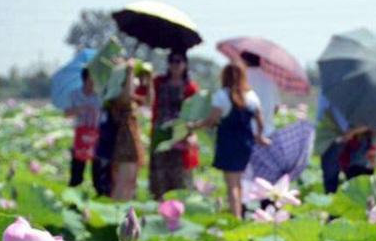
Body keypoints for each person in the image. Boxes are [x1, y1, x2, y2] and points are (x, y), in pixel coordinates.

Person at [188, 63, 270, 218]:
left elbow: (211, 120)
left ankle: (236, 216)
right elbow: (260, 121)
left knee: (231, 184)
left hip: (228, 143)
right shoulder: (251, 96)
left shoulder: (221, 95)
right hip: (245, 144)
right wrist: (260, 137)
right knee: (238, 181)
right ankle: (239, 212)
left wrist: (194, 125)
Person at [149, 51, 200, 200]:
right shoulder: (158, 82)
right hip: (160, 132)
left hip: (180, 135)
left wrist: (191, 132)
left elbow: (196, 114)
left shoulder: (190, 87)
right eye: (172, 61)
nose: (175, 65)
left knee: (179, 176)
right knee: (159, 176)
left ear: (185, 64)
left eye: (178, 61)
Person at [317, 93, 376, 193]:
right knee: (342, 177)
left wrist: (352, 131)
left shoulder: (371, 98)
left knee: (359, 180)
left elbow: (374, 123)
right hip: (347, 144)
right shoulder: (346, 96)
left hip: (362, 148)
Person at [108, 59, 147, 201]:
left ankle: (125, 212)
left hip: (132, 142)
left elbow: (148, 100)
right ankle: (116, 212)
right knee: (123, 181)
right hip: (122, 143)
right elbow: (126, 97)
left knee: (131, 181)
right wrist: (129, 70)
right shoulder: (117, 97)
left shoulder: (133, 99)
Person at [65, 68, 101, 187]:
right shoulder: (74, 94)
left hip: (96, 133)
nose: (94, 82)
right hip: (81, 134)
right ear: (85, 80)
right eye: (91, 79)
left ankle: (99, 193)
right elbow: (67, 113)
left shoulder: (99, 95)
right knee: (78, 167)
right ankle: (73, 197)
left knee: (97, 168)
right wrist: (81, 108)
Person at [240, 51, 280, 137]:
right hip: (268, 132)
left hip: (245, 133)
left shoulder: (241, 77)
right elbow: (276, 108)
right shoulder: (270, 79)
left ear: (245, 61)